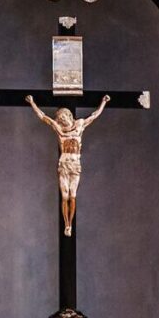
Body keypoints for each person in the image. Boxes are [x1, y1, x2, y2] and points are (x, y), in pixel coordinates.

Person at [29, 97, 109, 235]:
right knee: (64, 196)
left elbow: (94, 115)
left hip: (75, 165)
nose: (61, 120)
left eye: (63, 117)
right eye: (60, 118)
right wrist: (32, 103)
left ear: (69, 116)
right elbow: (43, 117)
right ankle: (67, 224)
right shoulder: (59, 129)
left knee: (73, 195)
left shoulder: (80, 125)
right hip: (64, 165)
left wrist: (103, 102)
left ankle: (69, 223)